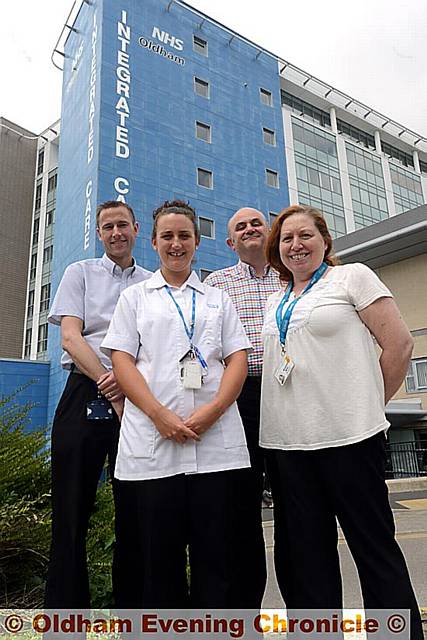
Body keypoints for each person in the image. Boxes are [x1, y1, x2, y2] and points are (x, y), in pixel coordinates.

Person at [260, 204, 423, 639]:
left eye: (305, 235)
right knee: (307, 558)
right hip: (289, 447)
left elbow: (400, 344)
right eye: (287, 239)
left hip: (350, 440)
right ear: (277, 250)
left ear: (325, 241)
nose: (296, 245)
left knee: (374, 548)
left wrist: (368, 404)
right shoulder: (278, 299)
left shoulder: (352, 276)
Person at [101, 200, 251, 608]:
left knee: (215, 557)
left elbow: (237, 358)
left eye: (184, 235)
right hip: (153, 444)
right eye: (167, 236)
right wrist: (158, 414)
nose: (176, 243)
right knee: (157, 558)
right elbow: (121, 360)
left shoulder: (218, 300)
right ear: (153, 242)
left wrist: (213, 411)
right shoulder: (135, 298)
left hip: (215, 443)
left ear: (196, 242)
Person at [45, 200, 151, 608]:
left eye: (122, 225)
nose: (116, 233)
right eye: (108, 227)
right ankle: (66, 618)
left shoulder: (151, 280)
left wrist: (128, 390)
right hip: (85, 390)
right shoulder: (80, 274)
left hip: (138, 397)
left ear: (136, 228)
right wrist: (112, 385)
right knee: (70, 512)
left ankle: (135, 616)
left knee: (136, 512)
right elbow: (71, 337)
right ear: (99, 233)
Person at [204, 207, 281, 607]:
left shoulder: (291, 274)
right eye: (240, 227)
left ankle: (309, 610)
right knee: (241, 506)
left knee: (297, 501)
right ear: (229, 241)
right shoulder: (216, 285)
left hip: (292, 396)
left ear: (268, 232)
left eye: (256, 223)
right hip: (242, 397)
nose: (250, 229)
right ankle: (244, 615)